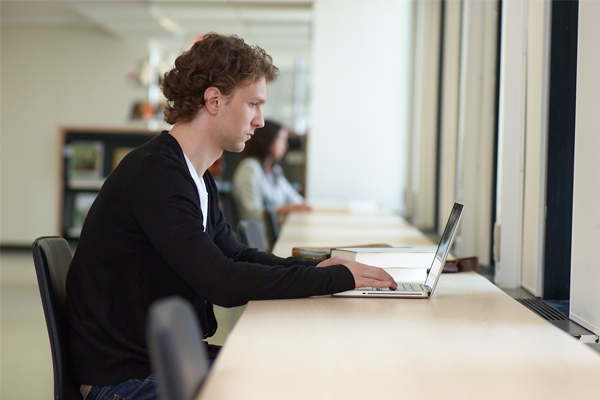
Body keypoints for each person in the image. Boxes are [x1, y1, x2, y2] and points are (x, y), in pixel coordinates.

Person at [65, 32, 396, 400]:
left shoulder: (197, 177)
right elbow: (221, 283)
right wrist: (333, 279)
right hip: (125, 379)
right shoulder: (156, 174)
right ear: (214, 100)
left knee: (295, 370)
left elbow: (234, 255)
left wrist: (312, 270)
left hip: (157, 361)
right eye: (253, 104)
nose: (259, 121)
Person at [232, 120, 311, 221]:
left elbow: (294, 198)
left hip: (273, 230)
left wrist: (300, 206)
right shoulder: (250, 168)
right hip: (260, 234)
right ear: (267, 140)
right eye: (281, 140)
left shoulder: (274, 170)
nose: (285, 146)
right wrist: (283, 209)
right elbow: (251, 213)